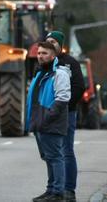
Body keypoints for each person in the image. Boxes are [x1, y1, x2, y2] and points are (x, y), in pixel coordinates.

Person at [27, 41, 71, 202]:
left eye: (44, 53)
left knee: (55, 157)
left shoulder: (60, 74)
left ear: (53, 56)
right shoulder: (41, 73)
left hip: (50, 122)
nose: (40, 56)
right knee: (49, 157)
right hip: (40, 121)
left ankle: (58, 193)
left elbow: (63, 98)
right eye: (39, 53)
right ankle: (51, 190)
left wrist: (48, 117)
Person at [45, 31, 85, 202]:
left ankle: (69, 190)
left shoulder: (70, 63)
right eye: (47, 41)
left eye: (53, 41)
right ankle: (54, 189)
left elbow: (79, 87)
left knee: (66, 151)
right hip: (48, 115)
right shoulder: (45, 63)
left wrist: (64, 106)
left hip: (67, 113)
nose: (50, 44)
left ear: (60, 44)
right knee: (52, 153)